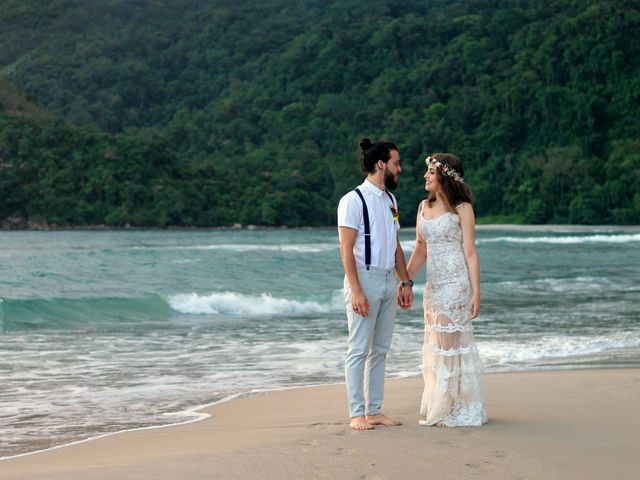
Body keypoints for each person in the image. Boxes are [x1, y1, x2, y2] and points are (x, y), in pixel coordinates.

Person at [337, 138, 414, 430]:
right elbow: (346, 249)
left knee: (381, 349)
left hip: (387, 280)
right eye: (396, 163)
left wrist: (405, 281)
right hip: (364, 278)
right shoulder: (352, 200)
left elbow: (395, 244)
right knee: (358, 349)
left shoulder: (391, 201)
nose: (400, 168)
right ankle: (357, 413)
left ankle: (375, 410)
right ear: (380, 164)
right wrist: (356, 289)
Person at [406, 153, 487, 427]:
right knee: (436, 344)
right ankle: (448, 405)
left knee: (447, 346)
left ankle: (449, 409)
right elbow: (420, 248)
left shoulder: (462, 208)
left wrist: (476, 292)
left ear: (444, 175)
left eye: (430, 172)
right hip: (433, 286)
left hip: (455, 283)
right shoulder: (422, 207)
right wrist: (405, 281)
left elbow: (470, 251)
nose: (425, 177)